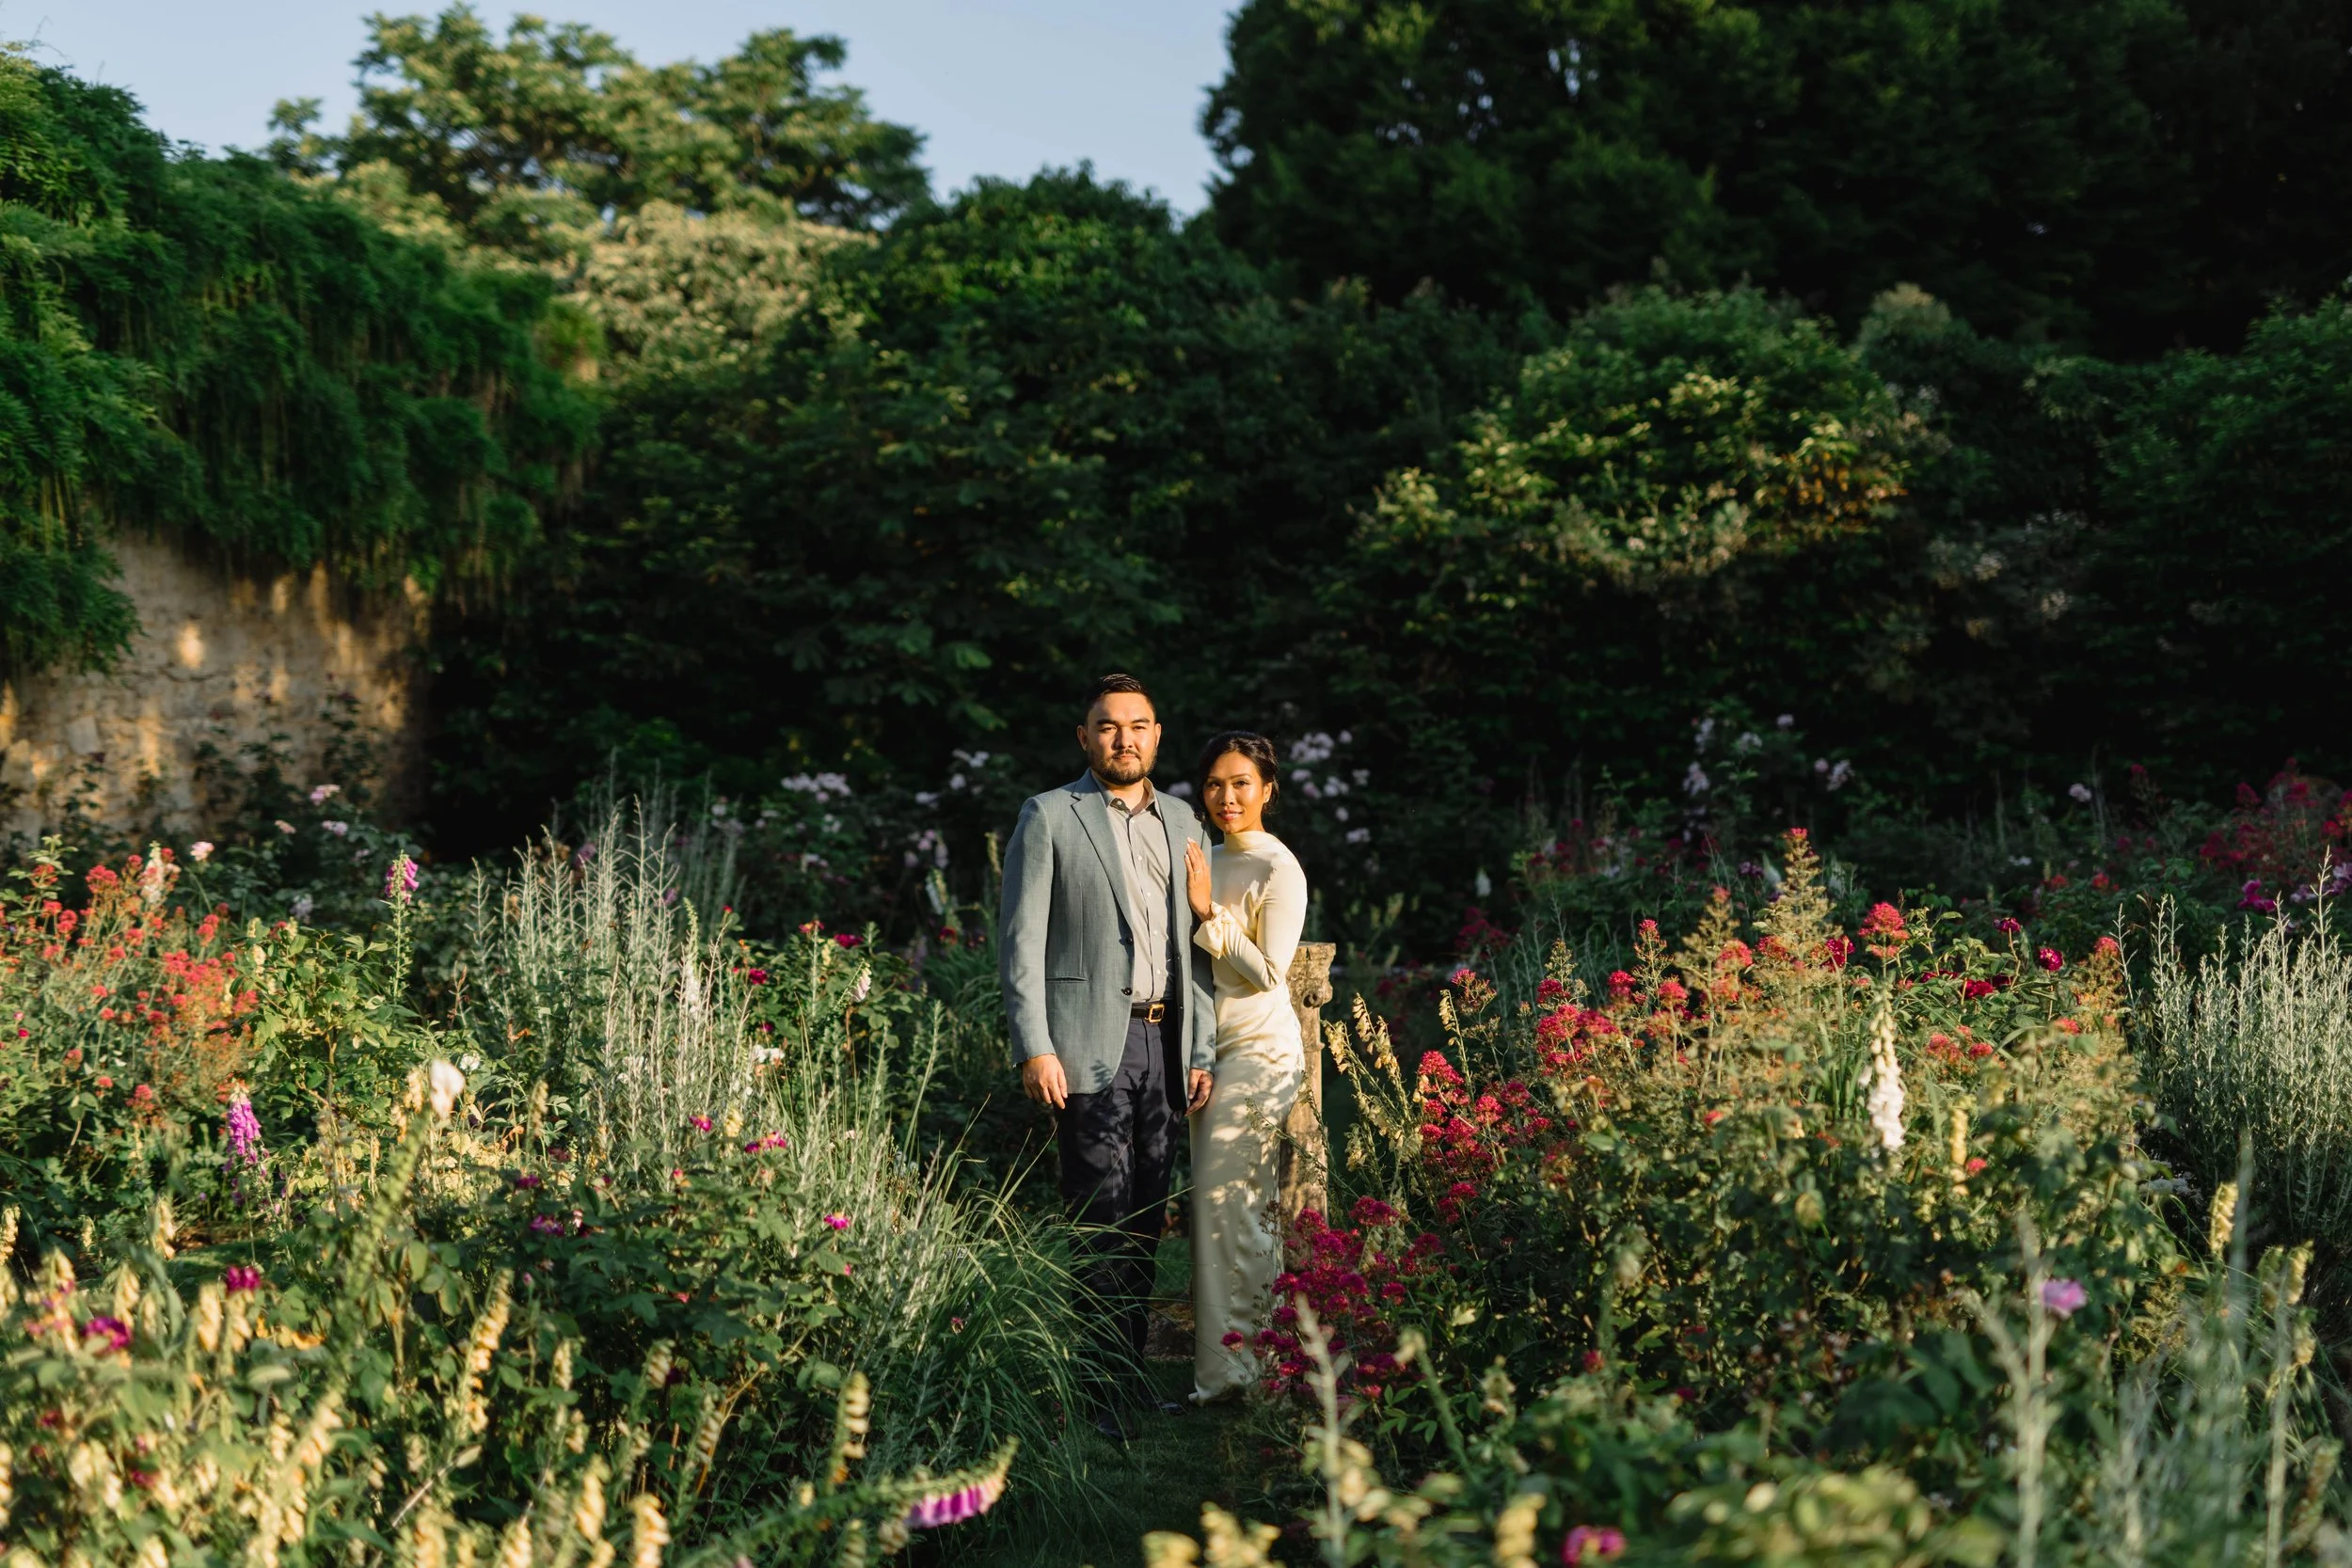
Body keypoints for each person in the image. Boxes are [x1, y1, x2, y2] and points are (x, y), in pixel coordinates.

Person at [998, 673, 1216, 1442]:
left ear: (1158, 735)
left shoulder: (1186, 820)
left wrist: (1200, 1045)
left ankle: (1122, 1382)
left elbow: (1197, 945)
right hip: (1089, 1041)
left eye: (1139, 724)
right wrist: (1036, 1044)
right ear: (1085, 738)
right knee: (1099, 1217)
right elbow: (1020, 942)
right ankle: (1092, 1395)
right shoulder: (1051, 815)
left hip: (1165, 1042)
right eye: (1108, 725)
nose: (1125, 737)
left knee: (1148, 1217)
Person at [1181, 731, 1308, 1403]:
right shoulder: (1207, 857)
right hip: (1212, 1050)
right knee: (1218, 1211)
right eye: (1214, 784)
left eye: (1241, 783)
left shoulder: (1276, 868)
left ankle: (1251, 1373)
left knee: (1238, 1209)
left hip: (1260, 1052)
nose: (1227, 797)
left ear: (1267, 788)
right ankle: (1237, 1367)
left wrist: (1209, 913)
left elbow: (1267, 974)